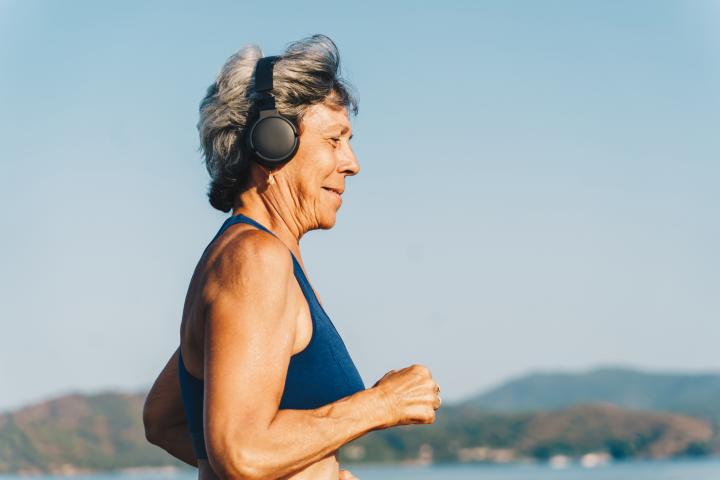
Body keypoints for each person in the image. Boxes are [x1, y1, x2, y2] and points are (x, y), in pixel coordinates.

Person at [142, 34, 441, 480]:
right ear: (273, 143)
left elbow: (164, 420)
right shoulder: (254, 260)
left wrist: (316, 469)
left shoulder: (249, 258)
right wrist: (383, 404)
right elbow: (241, 452)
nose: (352, 162)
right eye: (335, 140)